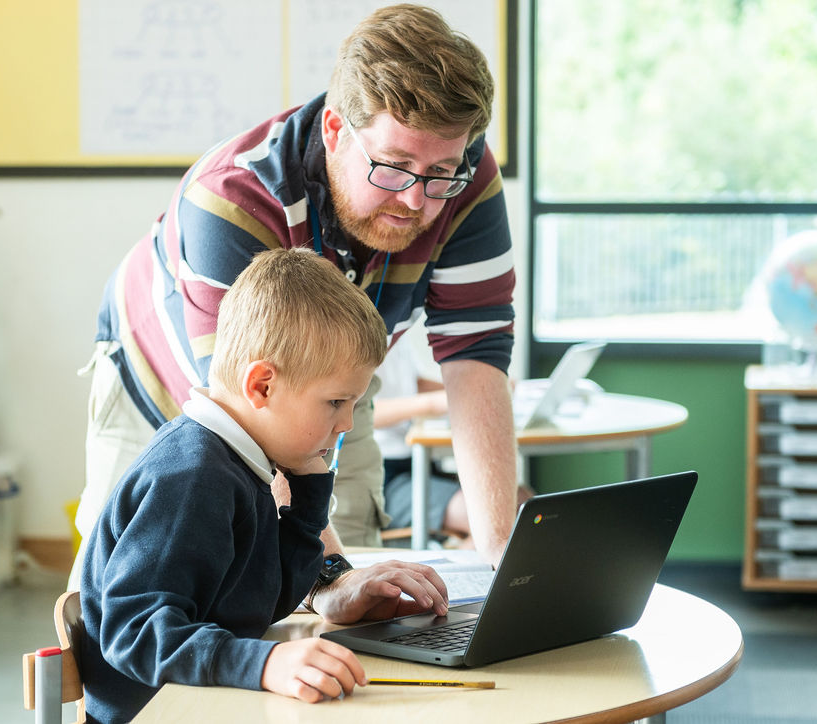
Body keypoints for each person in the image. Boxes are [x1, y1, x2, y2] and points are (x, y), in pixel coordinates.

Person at [70, 3, 519, 607]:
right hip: (175, 387)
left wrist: (504, 566)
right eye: (394, 168)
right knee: (142, 599)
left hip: (331, 381)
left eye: (439, 172)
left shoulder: (460, 174)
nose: (418, 200)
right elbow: (249, 415)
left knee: (364, 602)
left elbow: (476, 349)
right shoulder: (231, 201)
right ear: (336, 131)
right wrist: (329, 573)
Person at [79, 249, 448, 723]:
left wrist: (309, 491)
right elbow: (135, 633)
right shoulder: (192, 476)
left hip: (206, 701)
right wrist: (264, 662)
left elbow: (263, 598)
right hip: (159, 712)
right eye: (336, 402)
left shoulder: (241, 461)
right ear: (262, 387)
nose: (347, 423)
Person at [374, 338, 534, 547]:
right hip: (385, 478)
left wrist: (485, 391)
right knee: (504, 518)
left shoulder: (399, 334)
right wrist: (441, 401)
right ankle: (470, 576)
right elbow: (363, 410)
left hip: (418, 465)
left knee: (524, 503)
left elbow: (417, 384)